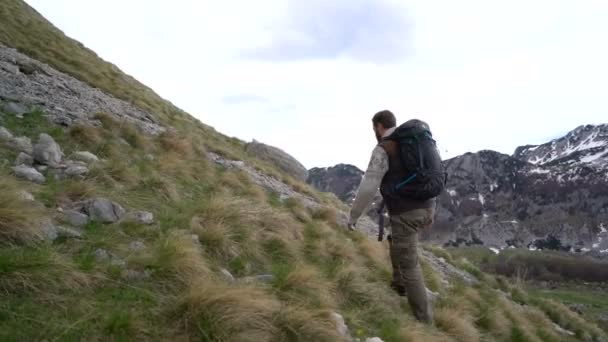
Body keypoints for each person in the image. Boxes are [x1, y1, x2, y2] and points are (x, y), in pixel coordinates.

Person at [348, 110, 436, 324]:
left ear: (379, 126)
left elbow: (369, 186)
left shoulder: (384, 148)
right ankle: (398, 284)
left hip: (406, 212)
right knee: (395, 239)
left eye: (374, 129)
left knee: (410, 266)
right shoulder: (417, 142)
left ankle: (425, 322)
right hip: (427, 205)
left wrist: (354, 215)